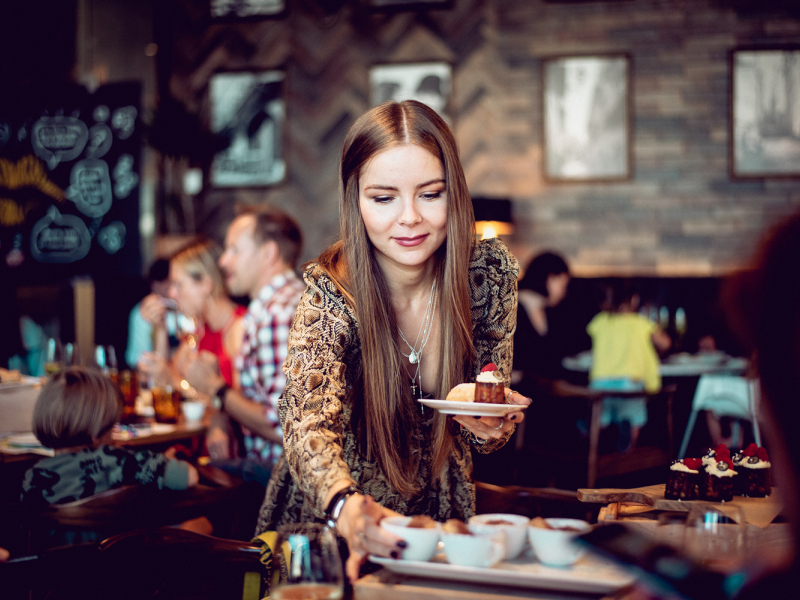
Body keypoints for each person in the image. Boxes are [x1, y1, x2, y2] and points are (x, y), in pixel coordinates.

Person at [251, 100, 530, 582]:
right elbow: (304, 422)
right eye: (383, 198)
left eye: (430, 194)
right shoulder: (330, 291)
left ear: (455, 193)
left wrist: (492, 423)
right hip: (329, 526)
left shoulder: (487, 276)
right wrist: (345, 506)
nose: (409, 219)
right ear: (356, 201)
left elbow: (487, 421)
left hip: (437, 524)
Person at [182, 206, 305, 487]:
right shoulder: (277, 306)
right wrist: (221, 418)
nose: (224, 261)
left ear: (268, 253)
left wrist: (215, 387)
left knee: (175, 482)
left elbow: (284, 426)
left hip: (282, 477)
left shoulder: (277, 315)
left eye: (234, 250)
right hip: (276, 468)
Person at [20, 366, 199, 506]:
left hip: (56, 555)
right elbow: (190, 477)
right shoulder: (118, 461)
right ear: (96, 434)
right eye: (112, 427)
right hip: (116, 552)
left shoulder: (33, 478)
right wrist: (157, 463)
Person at [139, 239, 246, 389]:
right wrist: (161, 328)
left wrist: (173, 380)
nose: (171, 293)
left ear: (205, 285)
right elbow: (164, 381)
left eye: (178, 284)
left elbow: (234, 406)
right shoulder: (200, 328)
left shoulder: (241, 328)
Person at [586, 280, 671, 451]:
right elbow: (665, 343)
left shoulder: (600, 320)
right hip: (629, 384)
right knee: (633, 417)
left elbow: (591, 333)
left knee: (601, 419)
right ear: (634, 300)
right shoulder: (640, 322)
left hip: (600, 385)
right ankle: (627, 451)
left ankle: (598, 443)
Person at [125, 258, 171, 369]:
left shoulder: (184, 309)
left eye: (168, 283)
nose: (164, 289)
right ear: (152, 285)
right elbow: (138, 359)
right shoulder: (141, 313)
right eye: (160, 283)